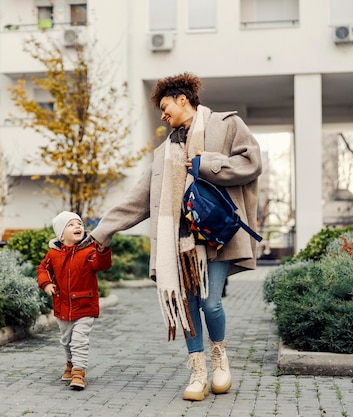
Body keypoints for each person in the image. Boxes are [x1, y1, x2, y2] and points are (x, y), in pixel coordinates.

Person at [90, 72, 262, 401]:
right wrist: (101, 231)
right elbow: (138, 201)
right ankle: (198, 370)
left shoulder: (226, 125)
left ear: (183, 100)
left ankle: (219, 358)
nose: (163, 115)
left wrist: (204, 164)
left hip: (216, 234)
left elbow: (251, 162)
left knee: (211, 303)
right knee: (187, 305)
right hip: (179, 241)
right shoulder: (162, 153)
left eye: (166, 106)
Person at [36, 211, 112, 391]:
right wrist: (46, 283)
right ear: (61, 234)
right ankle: (70, 363)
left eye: (79, 223)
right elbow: (42, 269)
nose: (78, 227)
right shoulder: (53, 254)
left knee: (79, 340)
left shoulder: (89, 250)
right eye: (71, 225)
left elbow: (101, 265)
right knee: (66, 340)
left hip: (85, 305)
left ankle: (79, 372)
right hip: (62, 305)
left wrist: (103, 250)